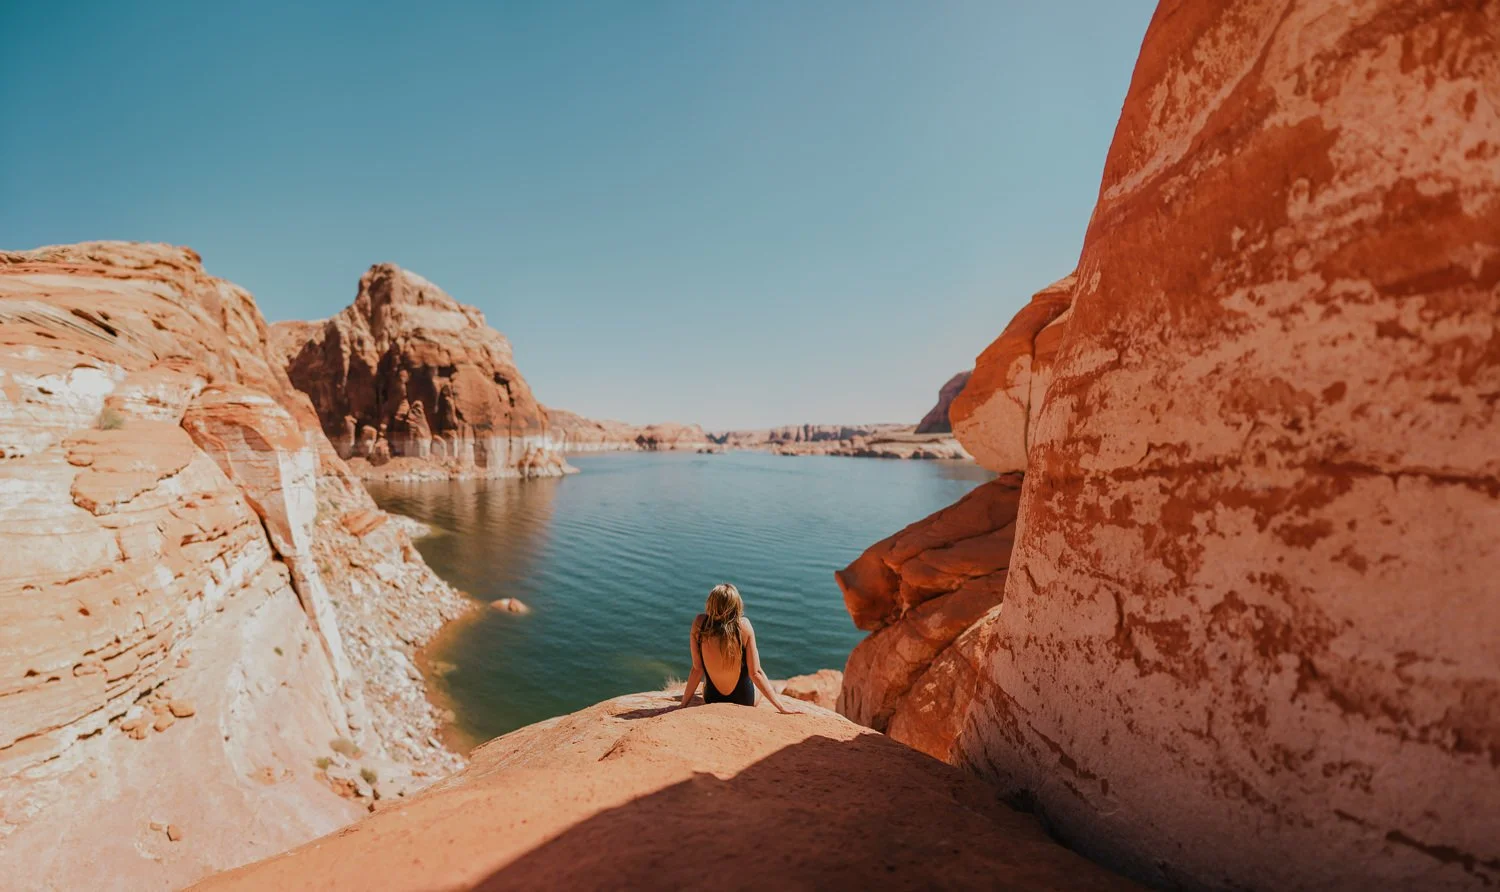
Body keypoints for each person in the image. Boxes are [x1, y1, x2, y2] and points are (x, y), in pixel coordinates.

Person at [680, 583, 797, 713]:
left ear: (711, 603)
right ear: (736, 605)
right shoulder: (744, 626)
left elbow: (697, 669)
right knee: (766, 681)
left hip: (712, 697)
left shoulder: (699, 623)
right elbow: (755, 673)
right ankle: (776, 689)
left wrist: (683, 704)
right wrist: (782, 708)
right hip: (744, 699)